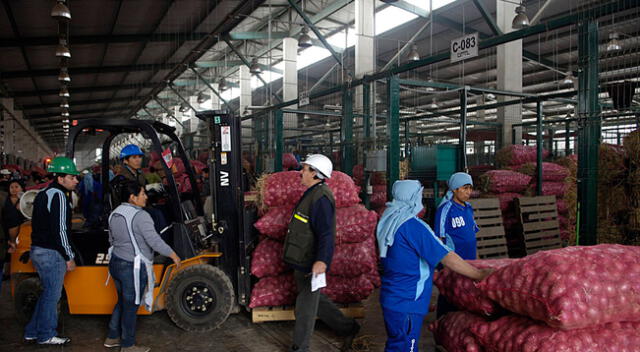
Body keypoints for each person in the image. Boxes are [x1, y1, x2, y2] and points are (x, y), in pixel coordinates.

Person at [377, 180, 491, 352]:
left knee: (396, 344)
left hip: (392, 296)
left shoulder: (387, 220)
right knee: (406, 347)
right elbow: (447, 257)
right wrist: (478, 275)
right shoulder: (412, 226)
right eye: (419, 195)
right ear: (414, 197)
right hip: (409, 300)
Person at [283, 154, 360, 352]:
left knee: (305, 309)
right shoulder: (312, 193)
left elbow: (327, 233)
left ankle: (300, 348)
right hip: (302, 259)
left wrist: (322, 261)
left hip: (311, 262)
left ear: (316, 174)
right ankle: (348, 327)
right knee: (316, 300)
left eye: (305, 168)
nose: (301, 172)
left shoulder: (321, 198)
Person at [104, 181, 181, 352]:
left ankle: (112, 337)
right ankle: (128, 345)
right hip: (132, 266)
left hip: (115, 262)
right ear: (132, 198)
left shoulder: (114, 213)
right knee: (131, 306)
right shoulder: (141, 216)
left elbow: (112, 240)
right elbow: (154, 241)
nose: (146, 197)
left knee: (123, 302)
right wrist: (172, 254)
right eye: (142, 194)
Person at [24, 157, 80, 345]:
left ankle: (32, 331)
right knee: (52, 295)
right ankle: (46, 335)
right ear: (61, 178)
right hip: (51, 253)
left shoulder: (43, 193)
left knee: (48, 293)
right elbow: (60, 230)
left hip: (38, 250)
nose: (76, 181)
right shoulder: (59, 196)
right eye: (72, 177)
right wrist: (68, 256)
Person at [434, 172, 479, 318]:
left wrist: (477, 260)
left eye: (470, 188)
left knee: (464, 293)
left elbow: (472, 235)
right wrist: (445, 264)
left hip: (469, 260)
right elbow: (439, 239)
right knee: (449, 295)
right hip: (453, 264)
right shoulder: (445, 210)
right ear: (454, 189)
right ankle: (442, 323)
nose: (468, 192)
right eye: (465, 188)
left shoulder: (468, 208)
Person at [3, 179, 27, 249]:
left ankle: (12, 241)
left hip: (20, 224)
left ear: (21, 188)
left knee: (14, 217)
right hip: (5, 224)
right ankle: (11, 242)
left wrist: (22, 207)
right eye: (11, 187)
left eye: (16, 187)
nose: (14, 189)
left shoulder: (25, 198)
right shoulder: (4, 198)